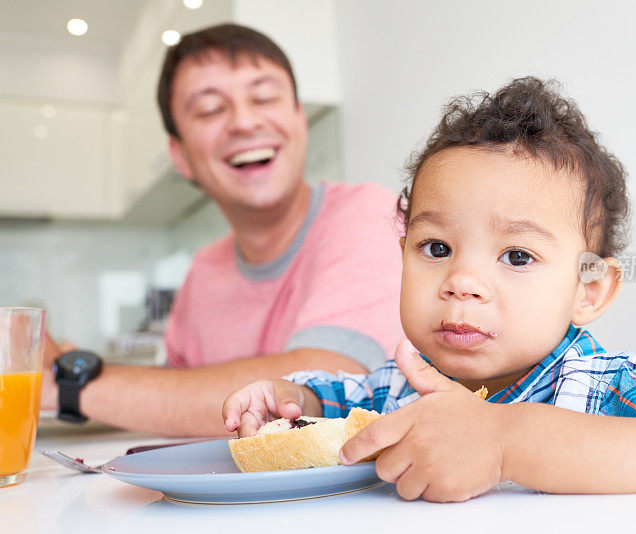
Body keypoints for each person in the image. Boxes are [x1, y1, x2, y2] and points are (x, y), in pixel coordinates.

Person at [222, 77, 636, 513]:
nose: (462, 282)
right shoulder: (401, 387)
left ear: (589, 289)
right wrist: (286, 404)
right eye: (437, 248)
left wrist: (504, 441)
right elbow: (336, 401)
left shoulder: (608, 389)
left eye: (517, 256)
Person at [40, 24, 404, 436]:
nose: (245, 122)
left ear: (299, 120)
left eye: (264, 97)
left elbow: (325, 388)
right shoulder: (204, 271)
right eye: (211, 109)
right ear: (180, 156)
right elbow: (174, 403)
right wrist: (86, 377)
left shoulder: (368, 213)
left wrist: (66, 385)